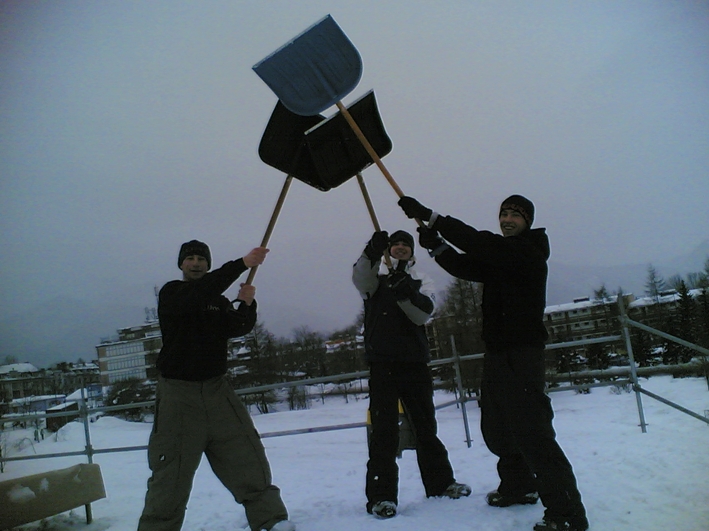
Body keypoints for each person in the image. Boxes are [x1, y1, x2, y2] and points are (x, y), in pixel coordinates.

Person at [398, 195, 589, 531]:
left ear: (527, 221)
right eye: (504, 213)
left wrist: (432, 217)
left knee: (534, 433)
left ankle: (568, 514)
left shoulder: (526, 251)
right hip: (498, 353)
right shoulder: (503, 256)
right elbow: (466, 266)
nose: (507, 219)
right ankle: (519, 487)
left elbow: (478, 243)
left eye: (515, 215)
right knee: (498, 428)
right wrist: (437, 246)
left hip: (522, 353)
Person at [138, 240, 295, 531]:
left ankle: (271, 522)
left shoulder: (217, 301)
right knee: (170, 475)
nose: (196, 263)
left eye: (201, 259)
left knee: (248, 460)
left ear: (208, 264)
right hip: (178, 394)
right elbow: (199, 293)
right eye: (191, 258)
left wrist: (247, 304)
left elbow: (237, 327)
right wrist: (242, 264)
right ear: (181, 264)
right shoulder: (173, 293)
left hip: (217, 391)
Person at [352, 229, 471, 519]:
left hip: (414, 363)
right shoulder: (374, 279)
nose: (401, 248)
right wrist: (370, 250)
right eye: (395, 244)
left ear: (412, 250)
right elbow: (359, 278)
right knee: (383, 432)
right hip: (382, 364)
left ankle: (441, 484)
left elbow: (422, 314)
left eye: (406, 244)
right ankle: (381, 497)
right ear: (388, 250)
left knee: (426, 428)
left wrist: (404, 291)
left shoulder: (421, 279)